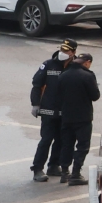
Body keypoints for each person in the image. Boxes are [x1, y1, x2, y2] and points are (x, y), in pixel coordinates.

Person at [28, 40, 78, 182]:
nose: (63, 53)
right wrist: (35, 104)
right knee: (46, 140)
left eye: (66, 50)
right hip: (48, 111)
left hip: (65, 112)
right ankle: (37, 168)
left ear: (73, 52)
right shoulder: (48, 64)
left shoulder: (75, 66)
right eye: (62, 49)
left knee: (61, 140)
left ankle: (54, 166)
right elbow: (37, 85)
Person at [49, 52, 99, 187]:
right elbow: (95, 96)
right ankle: (76, 174)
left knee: (67, 144)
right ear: (87, 62)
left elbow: (58, 96)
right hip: (83, 117)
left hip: (67, 116)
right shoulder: (88, 76)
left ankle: (64, 172)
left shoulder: (63, 75)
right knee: (82, 146)